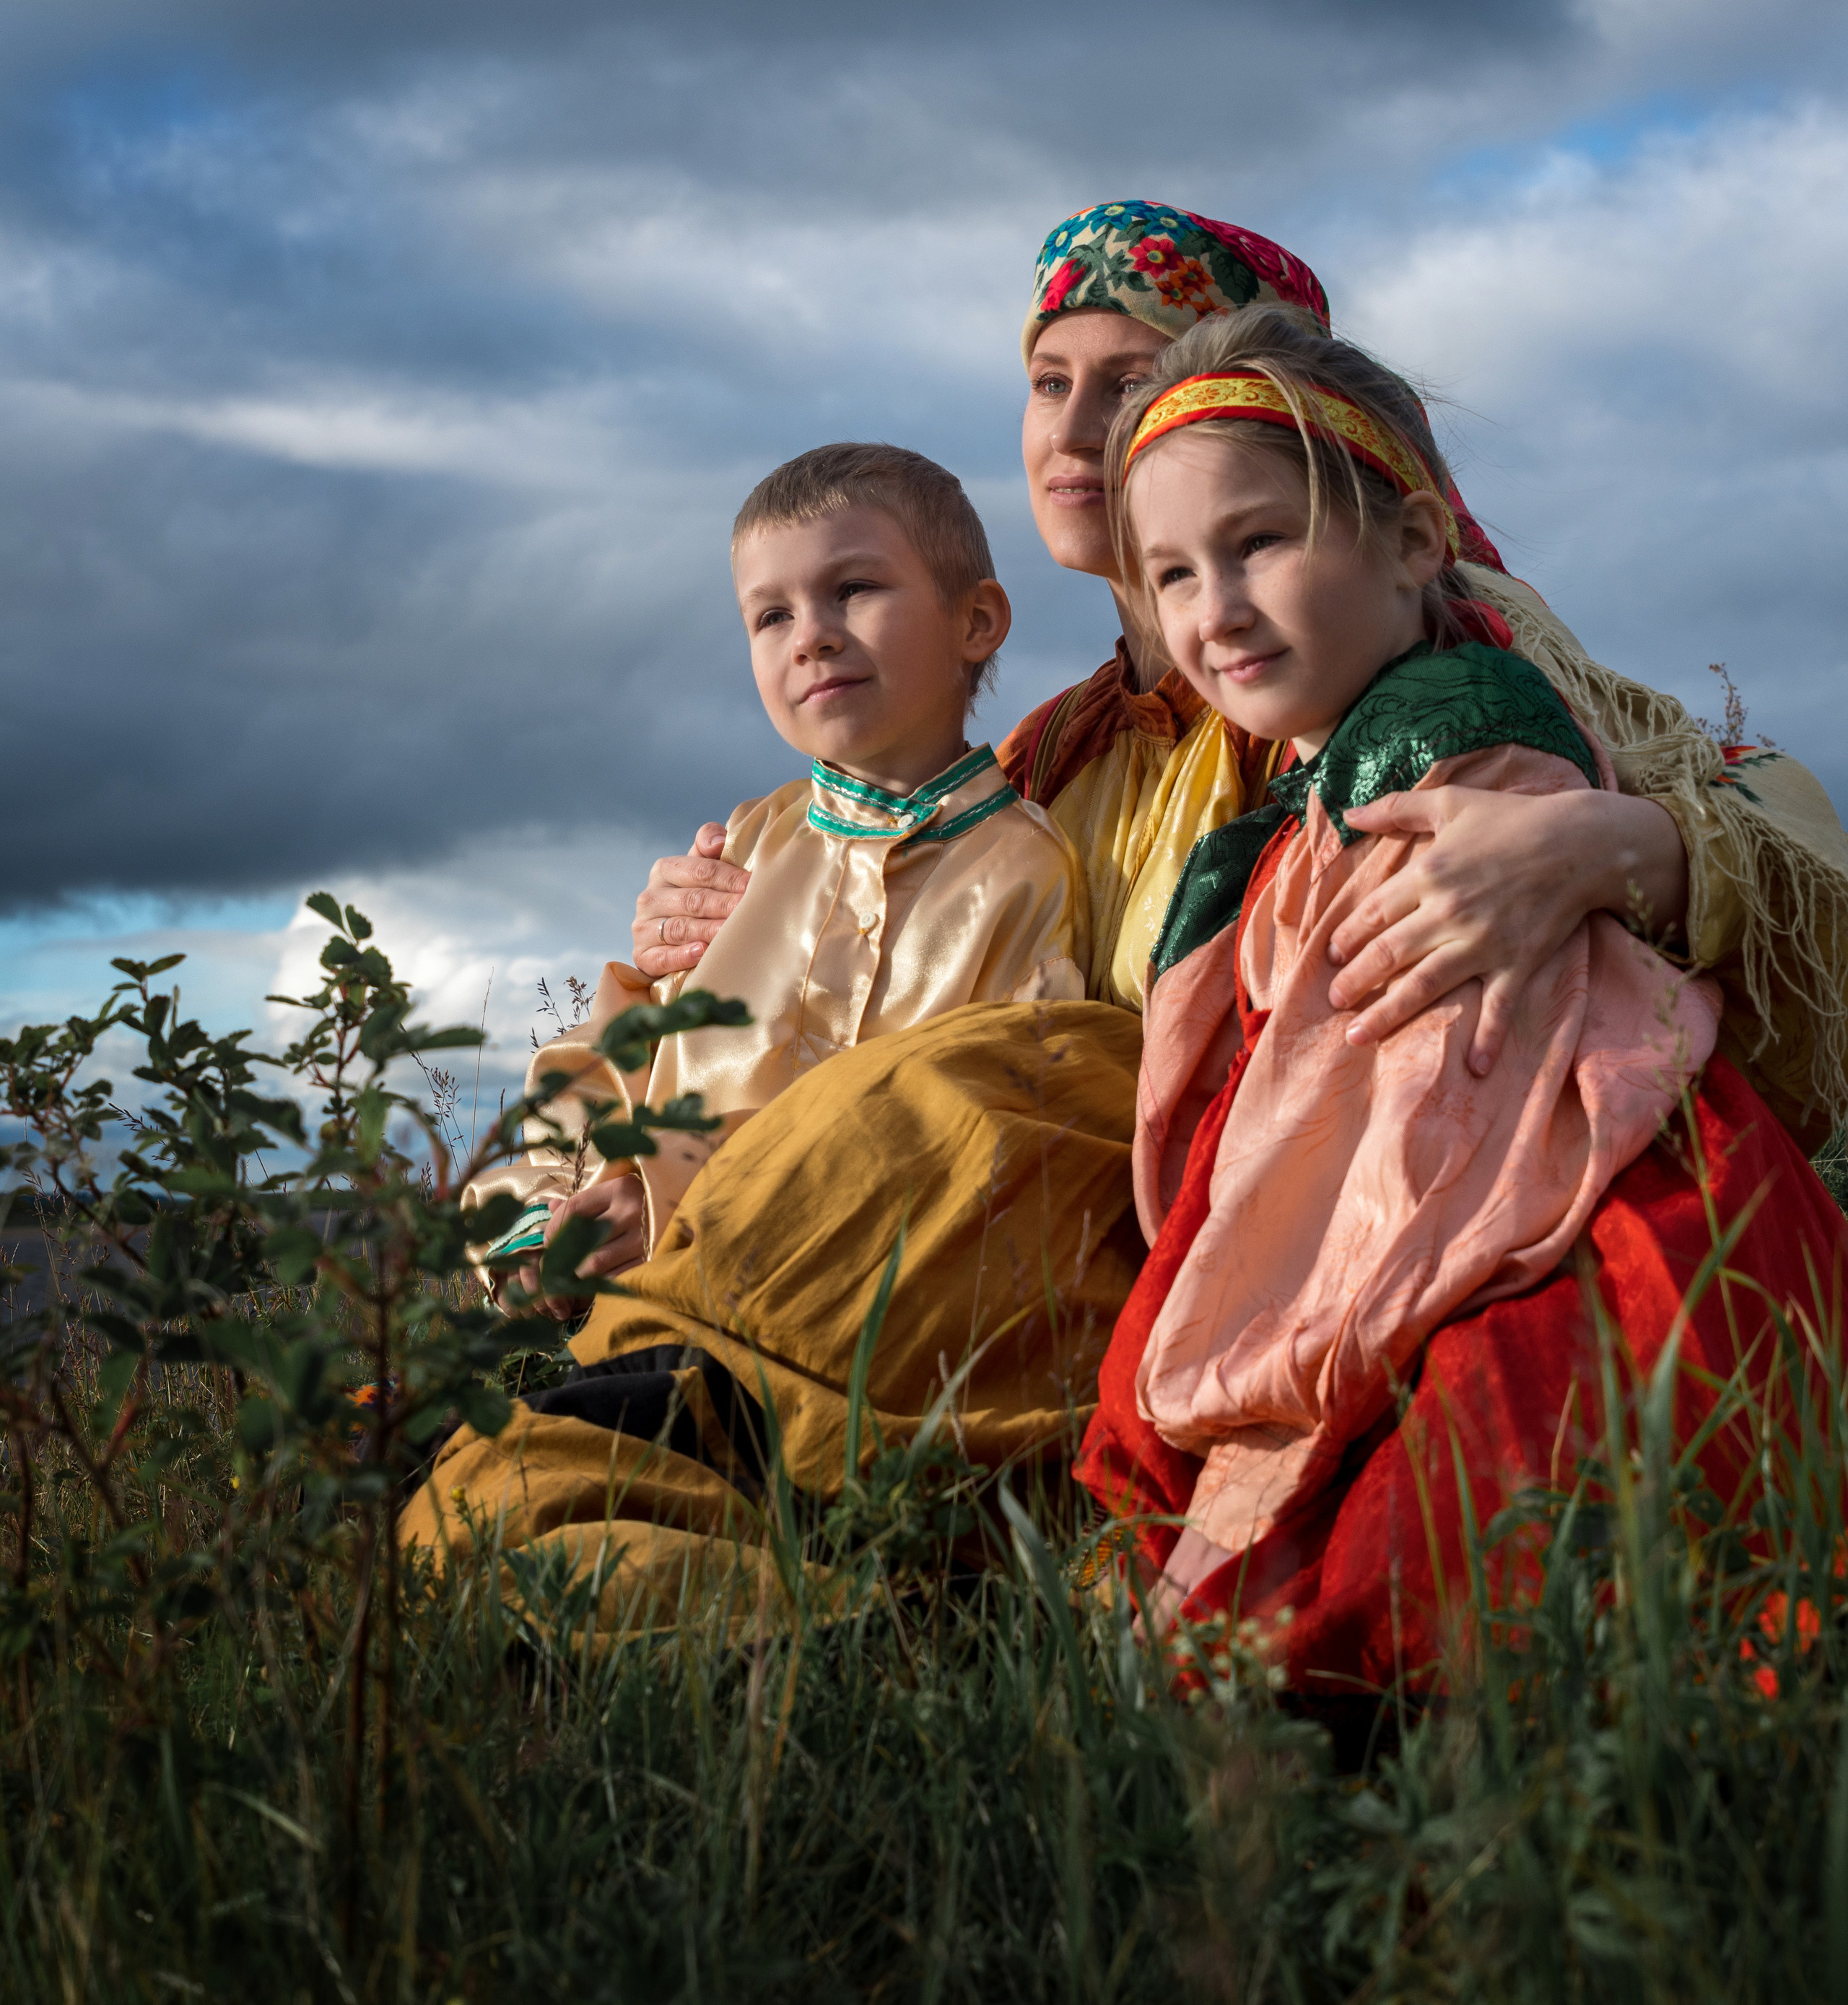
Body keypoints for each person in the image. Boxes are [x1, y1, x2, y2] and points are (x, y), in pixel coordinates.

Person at [634, 201, 1848, 1154]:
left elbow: (1770, 828)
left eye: (1130, 382)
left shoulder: (1430, 655)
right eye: (1049, 381)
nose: (1072, 429)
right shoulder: (1054, 751)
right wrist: (740, 921)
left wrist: (1618, 848)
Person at [1073, 307, 1847, 1690]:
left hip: (1543, 1222)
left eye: (1259, 543)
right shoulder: (1312, 794)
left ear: (1418, 541)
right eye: (1174, 575)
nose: (1217, 610)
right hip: (1437, 1202)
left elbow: (1435, 1097)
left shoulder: (1447, 753)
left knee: (1462, 1544)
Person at [405, 447, 1141, 1610]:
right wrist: (543, 1220)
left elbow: (972, 1139)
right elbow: (608, 1068)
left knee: (514, 1504)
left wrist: (686, 1202)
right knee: (435, 1502)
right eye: (770, 613)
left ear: (978, 622)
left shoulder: (1024, 873)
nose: (812, 634)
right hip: (642, 1302)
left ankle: (816, 1612)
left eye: (855, 591)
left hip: (850, 1332)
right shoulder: (738, 853)